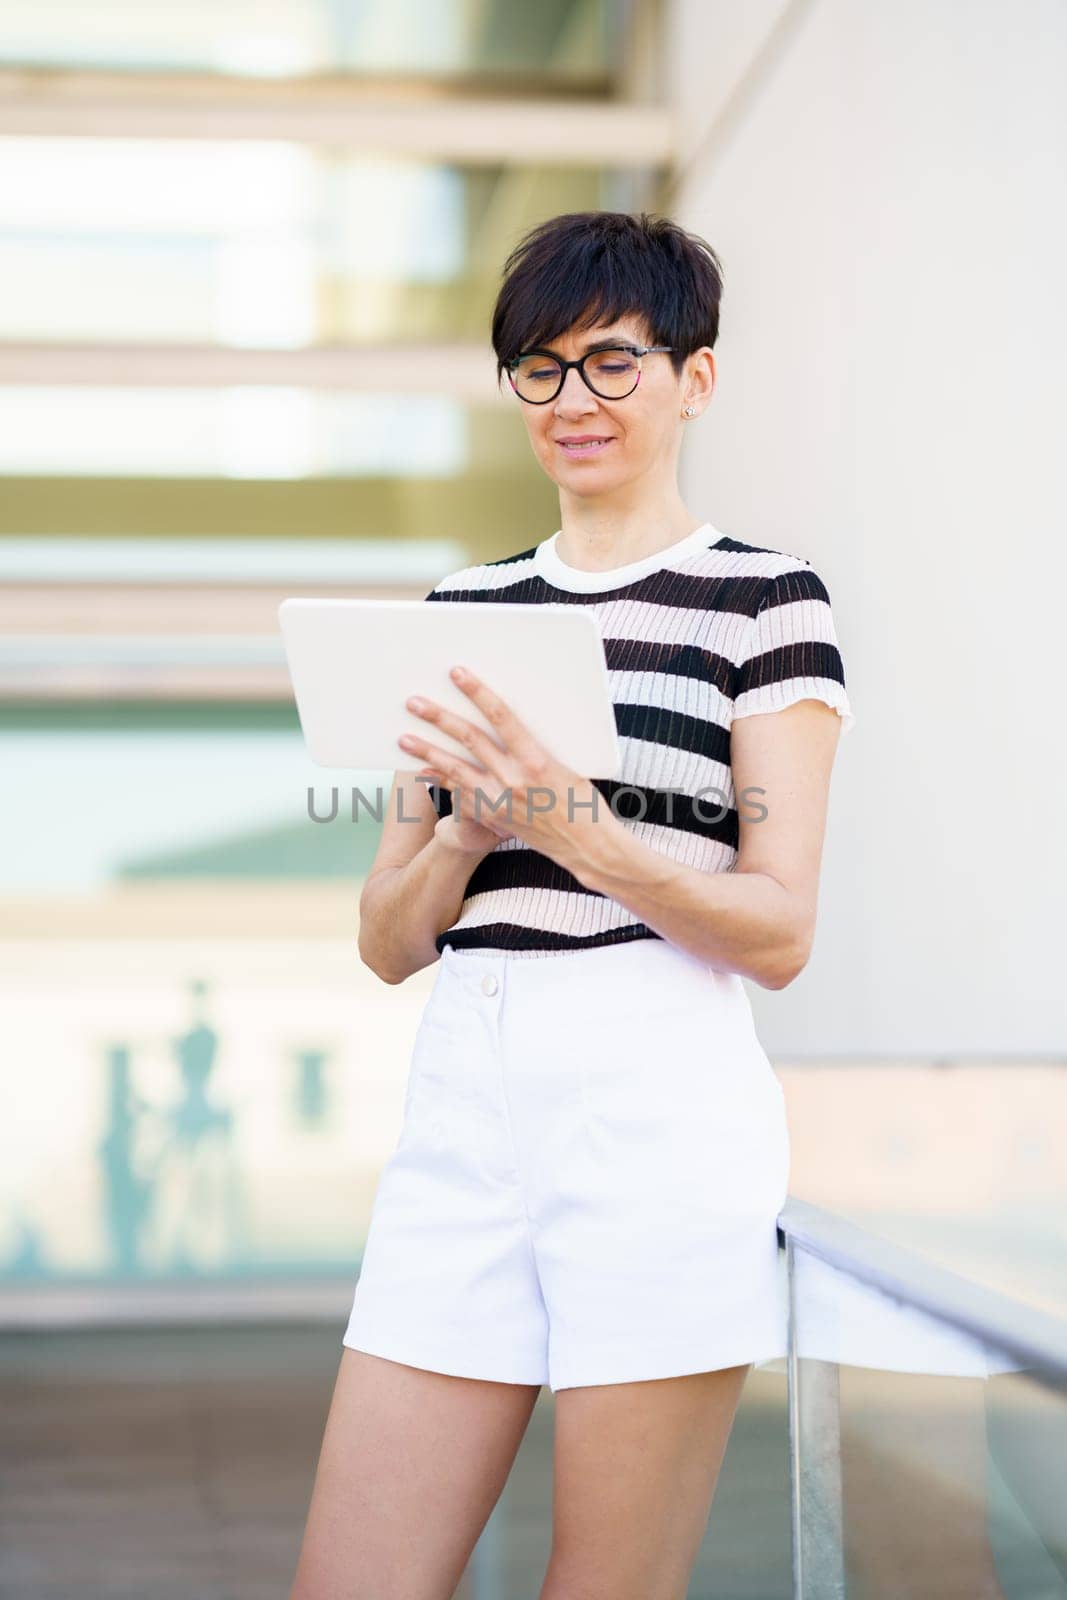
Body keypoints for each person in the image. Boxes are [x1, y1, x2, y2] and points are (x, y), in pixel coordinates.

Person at [289, 209, 855, 1600]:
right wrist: (466, 841)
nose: (573, 402)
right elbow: (384, 941)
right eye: (540, 369)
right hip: (465, 1106)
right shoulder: (462, 609)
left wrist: (576, 829)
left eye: (612, 363)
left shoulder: (762, 601)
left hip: (653, 1114)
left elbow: (781, 928)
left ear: (693, 379)